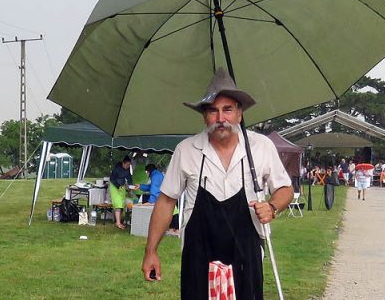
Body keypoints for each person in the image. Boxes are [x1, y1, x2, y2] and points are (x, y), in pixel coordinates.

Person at [141, 68, 293, 299]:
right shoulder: (187, 150)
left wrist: (272, 207)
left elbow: (285, 189)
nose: (221, 119)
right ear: (204, 116)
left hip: (246, 256)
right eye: (213, 111)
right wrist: (151, 251)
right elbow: (166, 200)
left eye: (227, 110)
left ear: (239, 114)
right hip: (198, 256)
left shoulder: (260, 147)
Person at [109, 155, 133, 229]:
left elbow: (129, 179)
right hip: (114, 187)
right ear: (123, 163)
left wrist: (130, 186)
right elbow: (112, 179)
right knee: (118, 204)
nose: (128, 166)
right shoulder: (116, 169)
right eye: (127, 165)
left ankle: (118, 220)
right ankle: (118, 223)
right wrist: (117, 186)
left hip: (122, 188)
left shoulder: (127, 170)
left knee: (121, 204)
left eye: (129, 165)